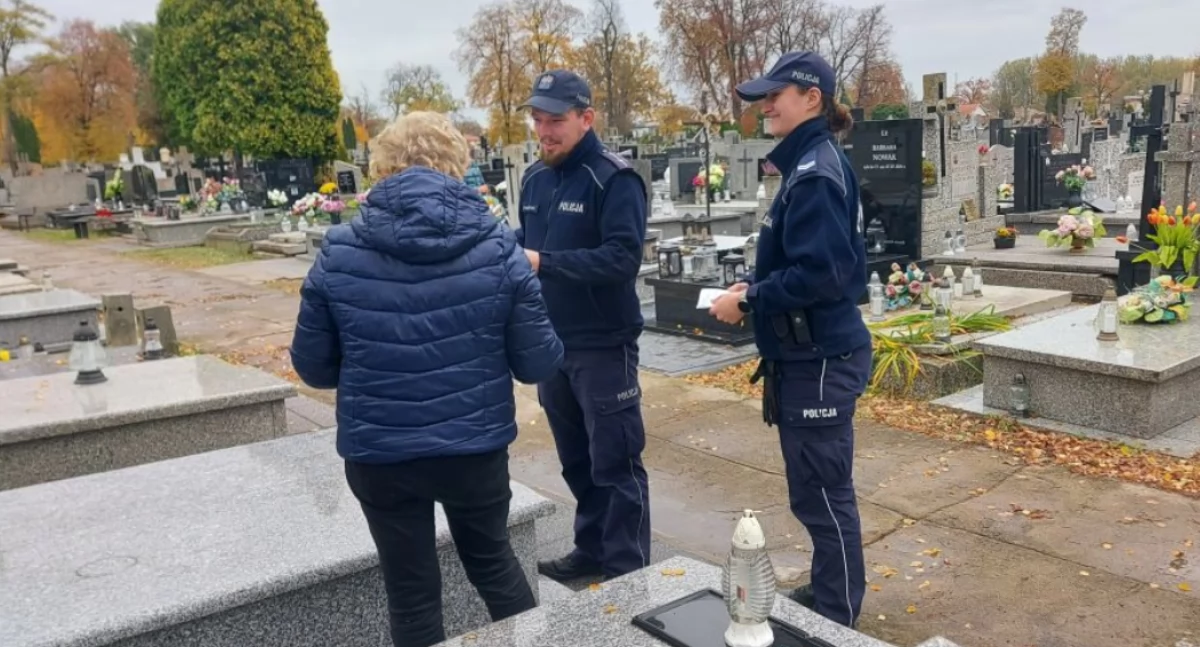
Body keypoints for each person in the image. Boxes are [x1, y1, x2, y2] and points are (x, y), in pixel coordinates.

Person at [290, 111, 564, 647]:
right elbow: (538, 363)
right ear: (456, 166)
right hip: (473, 450)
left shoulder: (340, 251)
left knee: (410, 594)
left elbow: (314, 368)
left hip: (381, 454)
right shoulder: (499, 247)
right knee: (496, 568)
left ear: (382, 168)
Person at [707, 51, 872, 629]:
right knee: (814, 493)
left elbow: (822, 276)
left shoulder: (816, 172)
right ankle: (830, 593)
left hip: (820, 357)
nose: (765, 104)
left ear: (813, 99)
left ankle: (838, 615)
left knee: (825, 497)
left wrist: (749, 298)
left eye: (777, 94)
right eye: (763, 96)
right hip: (807, 354)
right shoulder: (808, 164)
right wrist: (754, 283)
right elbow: (809, 264)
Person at [512, 69, 651, 582]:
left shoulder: (614, 179)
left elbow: (621, 259)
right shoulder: (535, 177)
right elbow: (526, 245)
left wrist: (543, 262)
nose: (544, 132)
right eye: (538, 120)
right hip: (552, 344)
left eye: (555, 122)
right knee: (576, 461)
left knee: (616, 462)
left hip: (602, 346)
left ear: (586, 118)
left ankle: (629, 570)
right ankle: (591, 549)